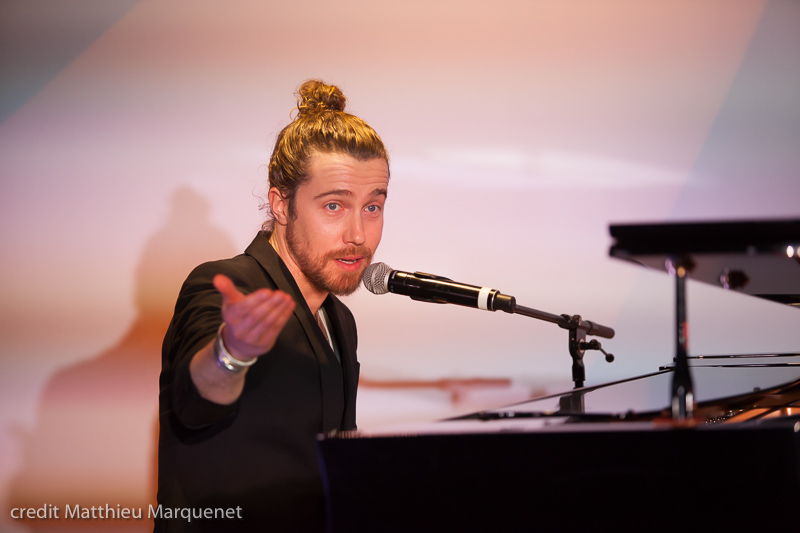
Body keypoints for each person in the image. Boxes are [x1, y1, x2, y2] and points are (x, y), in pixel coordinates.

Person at [156, 80, 390, 532]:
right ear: (281, 204)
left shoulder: (340, 319)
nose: (359, 234)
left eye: (373, 207)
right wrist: (232, 351)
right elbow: (194, 400)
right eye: (334, 206)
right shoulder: (226, 285)